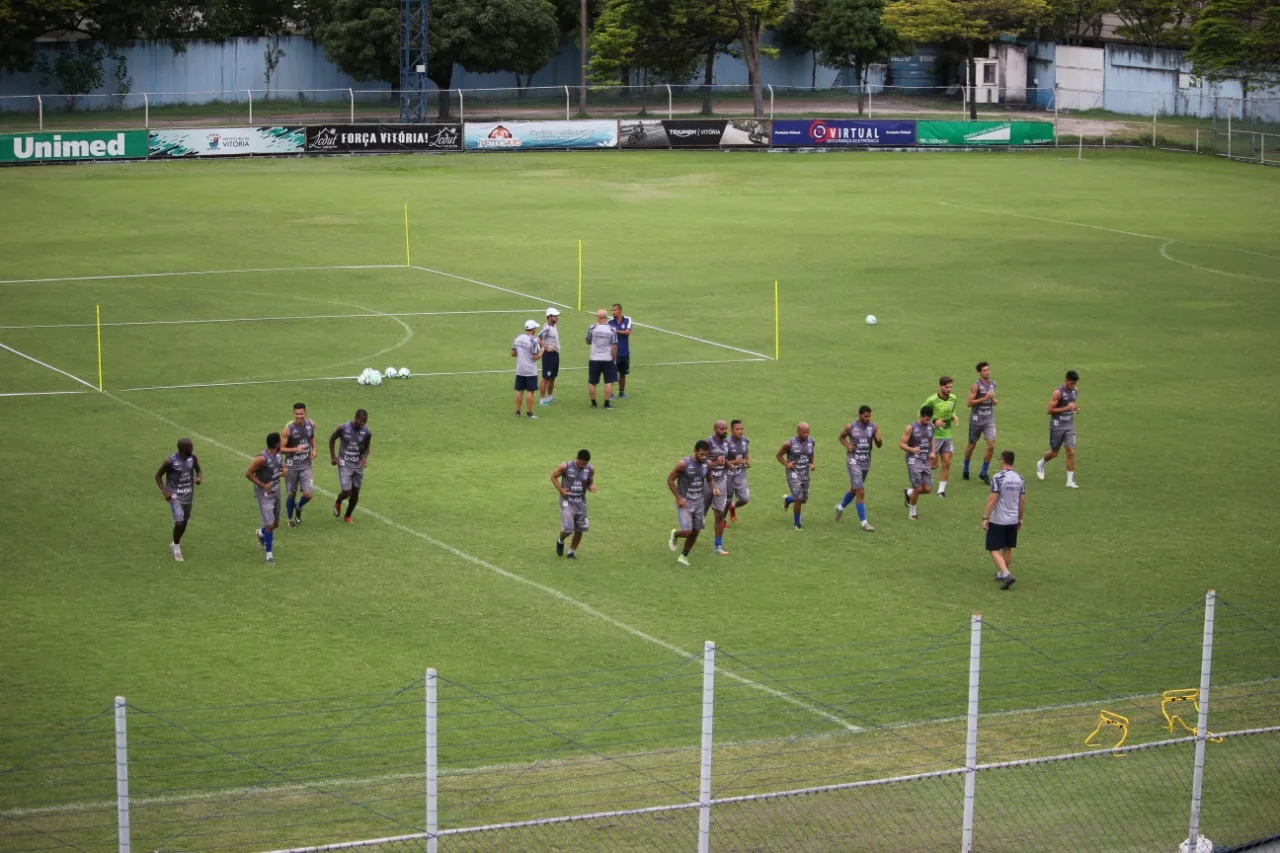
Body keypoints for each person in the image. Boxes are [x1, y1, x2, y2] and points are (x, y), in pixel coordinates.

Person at [982, 450, 1025, 590]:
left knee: (993, 548)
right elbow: (1022, 500)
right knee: (1007, 547)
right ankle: (1002, 573)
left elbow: (993, 498)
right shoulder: (1020, 478)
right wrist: (1020, 518)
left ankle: (1006, 574)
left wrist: (985, 517)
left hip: (999, 519)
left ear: (1003, 460)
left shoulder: (998, 477)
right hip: (1013, 519)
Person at [836, 406, 882, 532]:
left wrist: (879, 440)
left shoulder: (874, 427)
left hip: (865, 462)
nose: (867, 419)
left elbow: (879, 445)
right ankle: (864, 523)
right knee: (860, 491)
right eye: (865, 416)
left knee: (854, 489)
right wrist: (847, 446)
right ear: (859, 415)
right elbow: (841, 437)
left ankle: (840, 507)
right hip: (853, 461)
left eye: (869, 416)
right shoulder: (850, 427)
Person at [154, 438, 201, 562]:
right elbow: (158, 476)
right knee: (179, 522)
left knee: (184, 522)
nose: (192, 449)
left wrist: (198, 477)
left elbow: (198, 469)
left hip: (188, 495)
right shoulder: (170, 462)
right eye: (190, 447)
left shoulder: (193, 458)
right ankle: (176, 547)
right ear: (184, 449)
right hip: (175, 496)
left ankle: (175, 542)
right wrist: (164, 491)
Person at [667, 440, 710, 566]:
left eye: (706, 455)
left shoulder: (707, 464)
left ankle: (683, 556)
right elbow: (670, 480)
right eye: (701, 454)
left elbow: (710, 478)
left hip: (699, 502)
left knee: (696, 531)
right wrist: (679, 497)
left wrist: (714, 488)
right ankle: (675, 533)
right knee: (687, 532)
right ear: (695, 451)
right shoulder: (683, 464)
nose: (703, 457)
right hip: (685, 503)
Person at [1037, 370, 1080, 487]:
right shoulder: (1058, 393)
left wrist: (1075, 409)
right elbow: (1049, 411)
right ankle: (1042, 463)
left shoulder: (1075, 391)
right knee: (1054, 453)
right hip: (1057, 426)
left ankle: (1070, 481)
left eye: (1074, 384)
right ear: (1065, 381)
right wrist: (1067, 408)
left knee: (1071, 452)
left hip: (1069, 425)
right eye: (1071, 384)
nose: (1073, 386)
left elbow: (1071, 407)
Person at [245, 433, 283, 565]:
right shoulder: (261, 459)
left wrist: (284, 471)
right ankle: (269, 555)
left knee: (275, 524)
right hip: (264, 495)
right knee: (270, 525)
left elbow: (280, 468)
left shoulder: (279, 454)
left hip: (276, 492)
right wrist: (263, 485)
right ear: (277, 444)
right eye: (280, 441)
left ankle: (261, 533)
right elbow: (248, 474)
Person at [551, 449, 596, 558]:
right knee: (568, 528)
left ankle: (571, 552)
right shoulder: (565, 467)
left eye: (585, 464)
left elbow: (589, 481)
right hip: (567, 502)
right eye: (581, 463)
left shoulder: (590, 469)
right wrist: (561, 490)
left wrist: (590, 486)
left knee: (580, 529)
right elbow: (553, 476)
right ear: (577, 458)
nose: (583, 466)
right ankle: (560, 540)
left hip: (581, 502)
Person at [329, 409, 372, 522]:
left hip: (357, 465)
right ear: (356, 418)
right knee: (347, 490)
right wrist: (333, 457)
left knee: (355, 492)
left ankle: (347, 516)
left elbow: (367, 447)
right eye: (361, 422)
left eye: (364, 423)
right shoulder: (344, 428)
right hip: (345, 463)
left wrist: (364, 459)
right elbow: (332, 439)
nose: (362, 425)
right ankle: (338, 501)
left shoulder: (366, 432)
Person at [281, 403, 316, 527]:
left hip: (305, 465)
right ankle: (290, 519)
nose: (299, 416)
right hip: (291, 467)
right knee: (292, 494)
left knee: (308, 494)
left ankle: (299, 506)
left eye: (301, 413)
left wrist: (314, 449)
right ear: (293, 414)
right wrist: (295, 449)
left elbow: (311, 437)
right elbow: (281, 448)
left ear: (305, 413)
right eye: (296, 414)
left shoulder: (310, 424)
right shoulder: (288, 429)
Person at [924, 377, 960, 497]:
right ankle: (923, 474)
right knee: (934, 465)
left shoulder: (953, 398)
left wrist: (954, 417)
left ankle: (941, 491)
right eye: (947, 387)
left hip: (947, 435)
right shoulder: (932, 400)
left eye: (951, 387)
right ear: (941, 387)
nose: (949, 389)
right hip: (934, 436)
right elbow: (921, 415)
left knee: (947, 462)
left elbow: (952, 411)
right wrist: (934, 422)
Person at [963, 363, 998, 484]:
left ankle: (984, 472)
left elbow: (991, 398)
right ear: (979, 373)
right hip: (976, 420)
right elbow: (969, 403)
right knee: (971, 445)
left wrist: (993, 400)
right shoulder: (976, 385)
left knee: (991, 445)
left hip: (989, 419)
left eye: (988, 370)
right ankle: (966, 468)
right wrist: (985, 398)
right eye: (984, 370)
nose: (987, 372)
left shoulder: (993, 384)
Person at [901, 406, 936, 521]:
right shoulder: (911, 428)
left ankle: (909, 493)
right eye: (926, 420)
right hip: (914, 459)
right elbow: (901, 444)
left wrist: (933, 452)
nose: (928, 422)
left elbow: (932, 439)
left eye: (930, 420)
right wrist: (912, 450)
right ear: (921, 416)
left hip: (925, 459)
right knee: (917, 487)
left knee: (927, 489)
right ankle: (912, 513)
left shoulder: (931, 426)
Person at [778, 423, 815, 531]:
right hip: (793, 473)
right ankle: (797, 524)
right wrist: (786, 464)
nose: (806, 434)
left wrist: (812, 463)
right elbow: (778, 455)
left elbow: (811, 453)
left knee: (803, 499)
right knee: (799, 497)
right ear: (798, 431)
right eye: (803, 432)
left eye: (807, 432)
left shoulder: (811, 442)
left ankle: (788, 500)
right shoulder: (789, 444)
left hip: (805, 473)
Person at [706, 420, 731, 555]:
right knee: (698, 519)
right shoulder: (708, 443)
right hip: (706, 481)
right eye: (722, 429)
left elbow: (724, 459)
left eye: (726, 429)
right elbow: (702, 462)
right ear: (715, 429)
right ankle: (682, 533)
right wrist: (715, 463)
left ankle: (718, 546)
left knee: (720, 514)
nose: (725, 431)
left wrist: (728, 464)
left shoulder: (727, 443)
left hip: (721, 482)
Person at [585, 309, 618, 409]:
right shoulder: (612, 330)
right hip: (607, 358)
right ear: (606, 318)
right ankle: (607, 404)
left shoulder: (592, 328)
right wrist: (613, 358)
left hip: (594, 358)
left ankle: (594, 404)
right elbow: (614, 346)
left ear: (598, 318)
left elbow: (588, 341)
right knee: (608, 381)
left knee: (592, 382)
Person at [512, 319, 543, 418]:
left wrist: (522, 355)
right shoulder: (533, 341)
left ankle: (517, 412)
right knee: (530, 391)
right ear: (533, 329)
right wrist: (542, 351)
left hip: (520, 369)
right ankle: (529, 413)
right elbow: (535, 357)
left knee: (519, 391)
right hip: (530, 370)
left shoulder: (518, 339)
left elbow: (513, 353)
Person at [725, 419, 751, 523]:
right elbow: (721, 460)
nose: (740, 431)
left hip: (740, 474)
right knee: (726, 501)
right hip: (728, 475)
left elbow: (746, 452)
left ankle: (733, 507)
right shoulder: (726, 443)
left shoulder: (745, 440)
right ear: (731, 430)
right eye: (737, 429)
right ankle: (722, 521)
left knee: (745, 499)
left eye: (741, 429)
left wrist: (748, 461)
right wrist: (733, 462)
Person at [538, 308, 561, 406]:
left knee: (552, 377)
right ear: (549, 317)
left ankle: (550, 397)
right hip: (548, 356)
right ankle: (542, 399)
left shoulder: (553, 326)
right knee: (546, 378)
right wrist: (546, 347)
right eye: (555, 316)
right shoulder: (547, 328)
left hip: (555, 354)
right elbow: (538, 338)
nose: (557, 317)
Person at [609, 303, 633, 399]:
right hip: (613, 353)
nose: (613, 312)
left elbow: (628, 332)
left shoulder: (627, 320)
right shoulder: (610, 322)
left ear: (620, 310)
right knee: (611, 373)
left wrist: (616, 331)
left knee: (622, 373)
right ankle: (610, 394)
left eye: (615, 310)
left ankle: (621, 392)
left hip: (624, 352)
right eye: (612, 310)